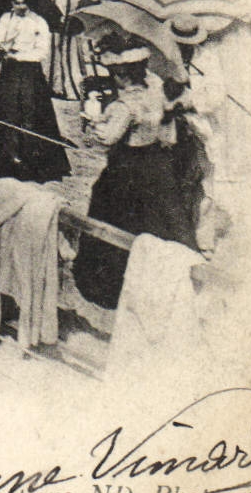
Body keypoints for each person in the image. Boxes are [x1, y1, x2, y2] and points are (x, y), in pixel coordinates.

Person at [72, 44, 196, 308]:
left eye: (115, 73)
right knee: (159, 217)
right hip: (155, 161)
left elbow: (108, 138)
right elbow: (170, 107)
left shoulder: (124, 105)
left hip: (127, 167)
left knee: (113, 215)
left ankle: (108, 286)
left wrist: (92, 121)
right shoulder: (154, 91)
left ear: (122, 75)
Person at [0, 0, 70, 181]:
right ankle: (6, 159)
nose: (20, 6)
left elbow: (42, 52)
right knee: (8, 111)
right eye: (17, 2)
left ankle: (30, 162)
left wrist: (19, 54)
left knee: (29, 111)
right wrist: (1, 47)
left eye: (24, 3)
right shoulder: (6, 19)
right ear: (11, 2)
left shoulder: (39, 22)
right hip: (9, 71)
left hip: (29, 71)